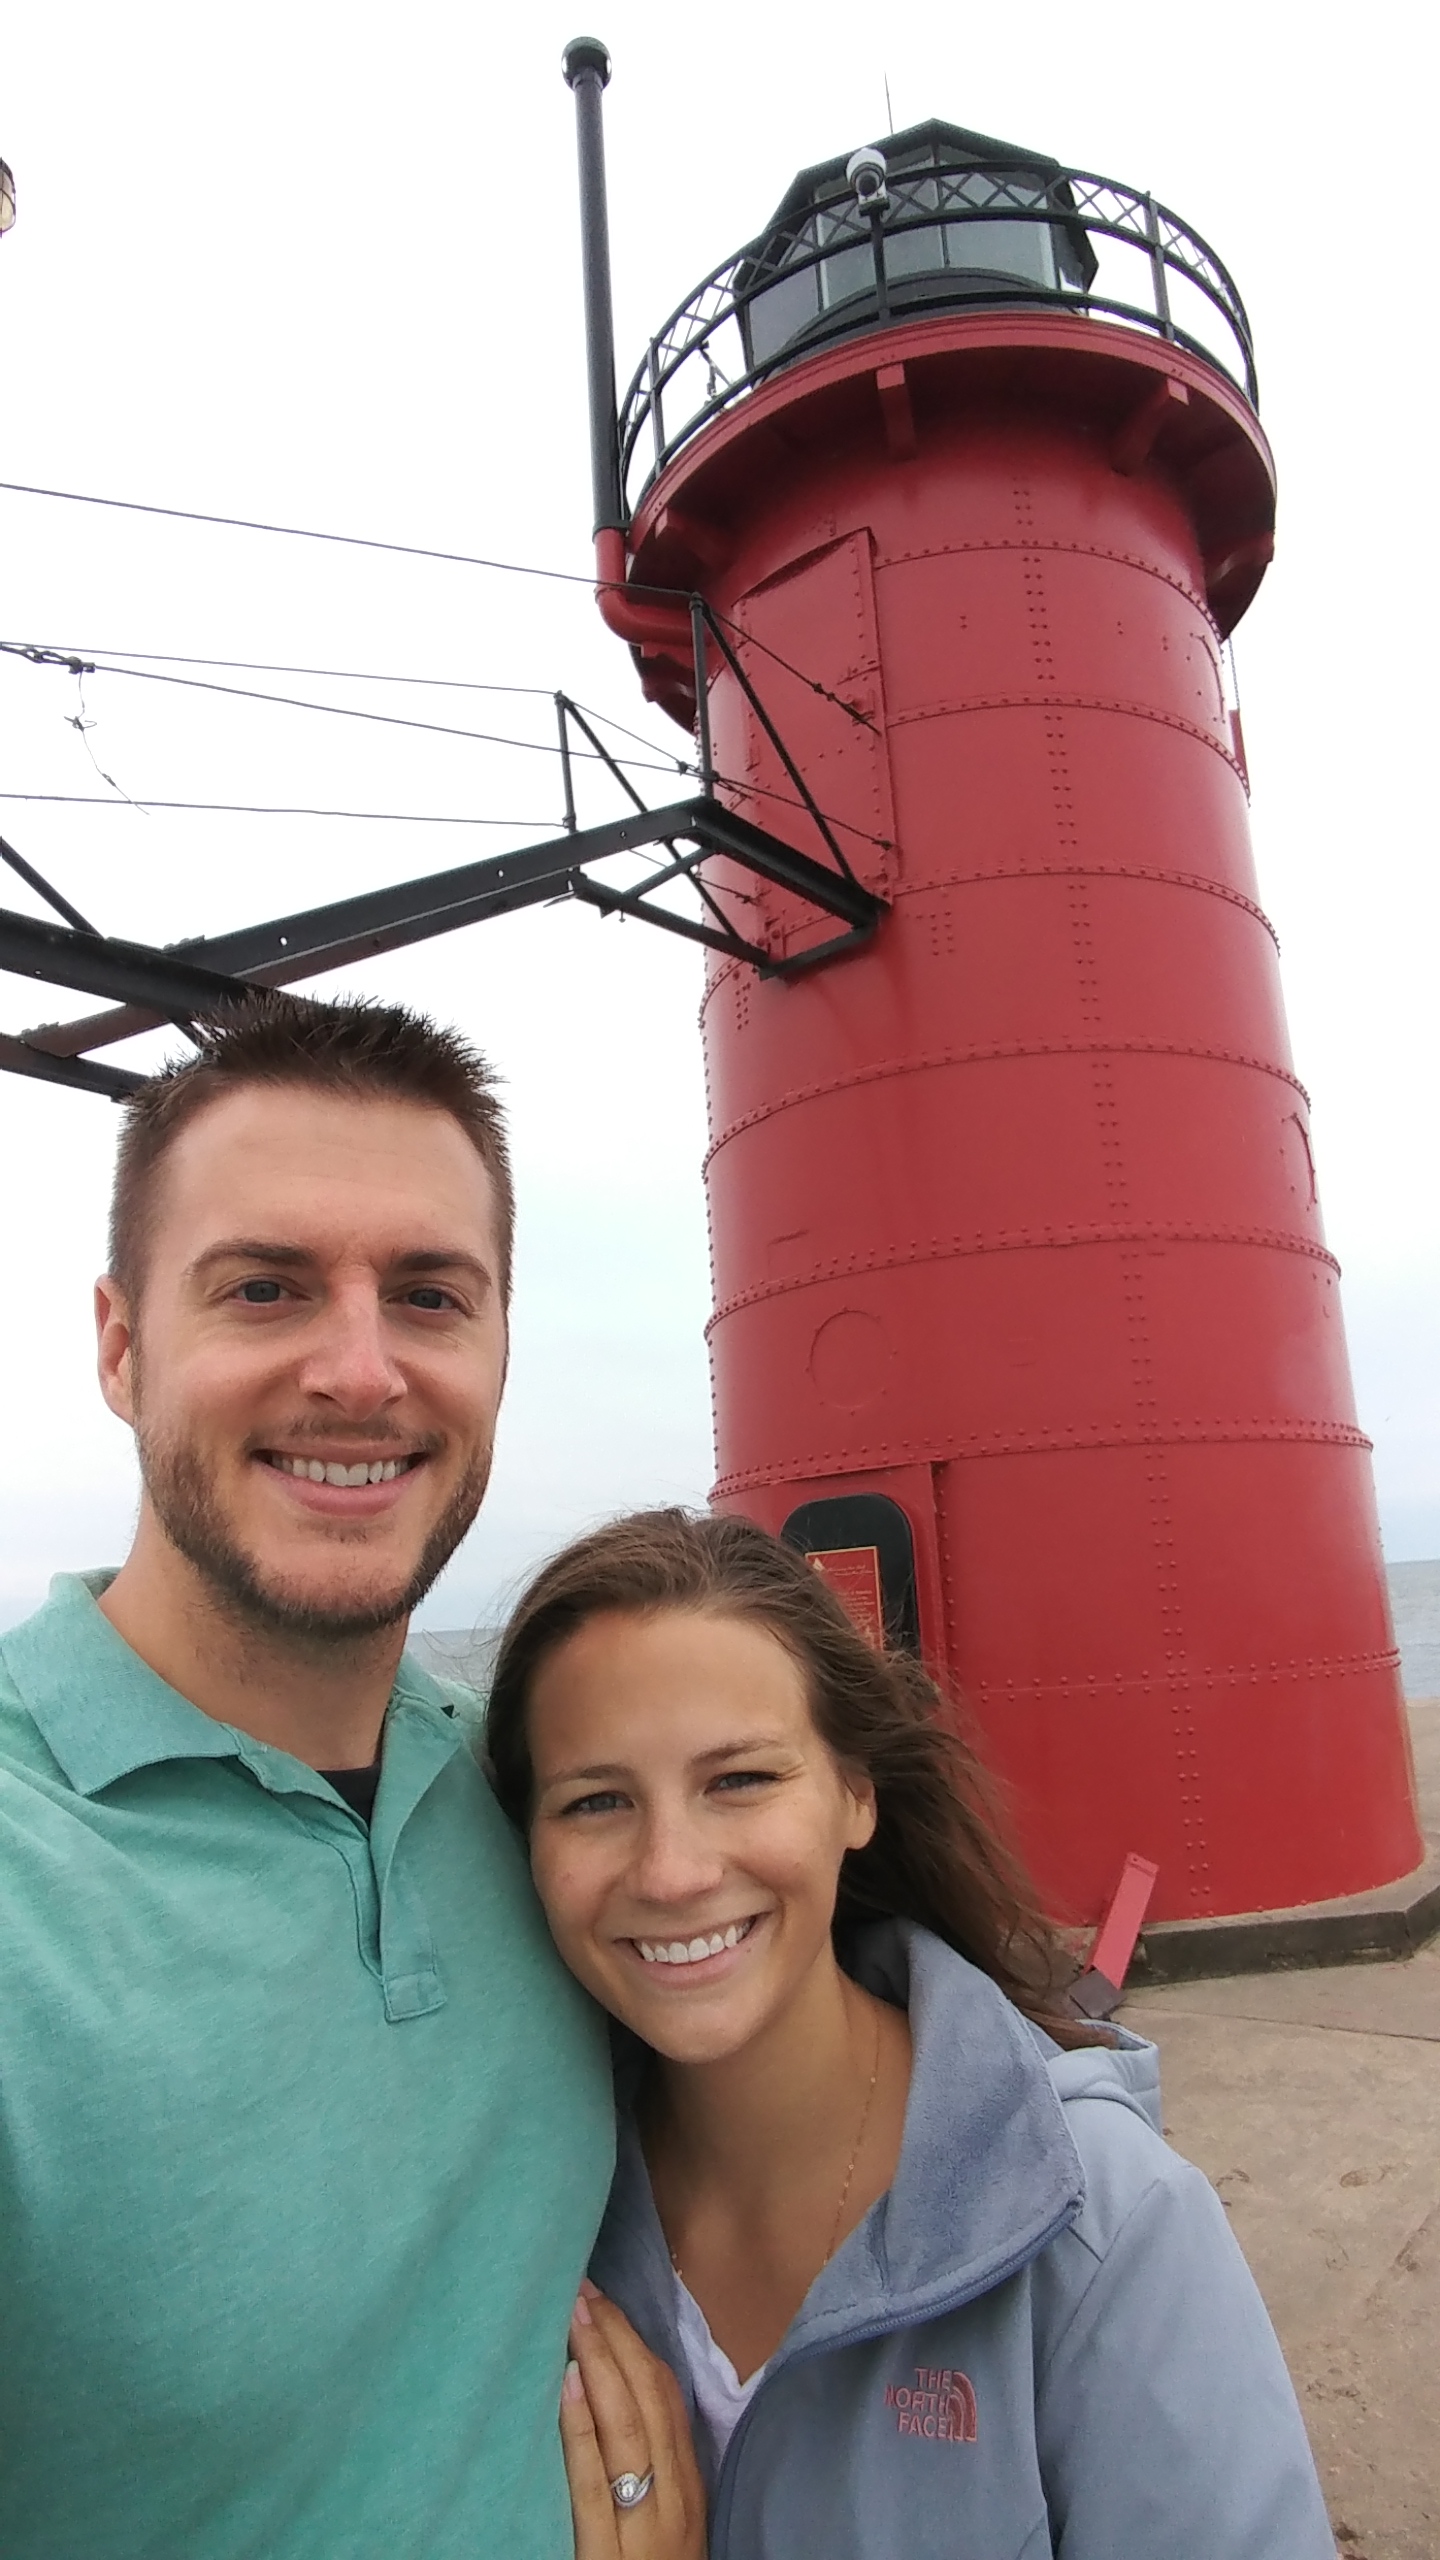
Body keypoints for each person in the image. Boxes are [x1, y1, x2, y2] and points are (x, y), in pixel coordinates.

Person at [0, 997, 631, 2560]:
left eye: (429, 1296)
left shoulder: (552, 1802)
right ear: (122, 1348)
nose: (360, 1372)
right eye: (266, 1288)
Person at [487, 1506, 1338, 2560]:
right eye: (594, 1801)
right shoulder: (529, 2215)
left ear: (858, 1793)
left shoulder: (1106, 2225)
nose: (672, 1871)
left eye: (740, 1779)